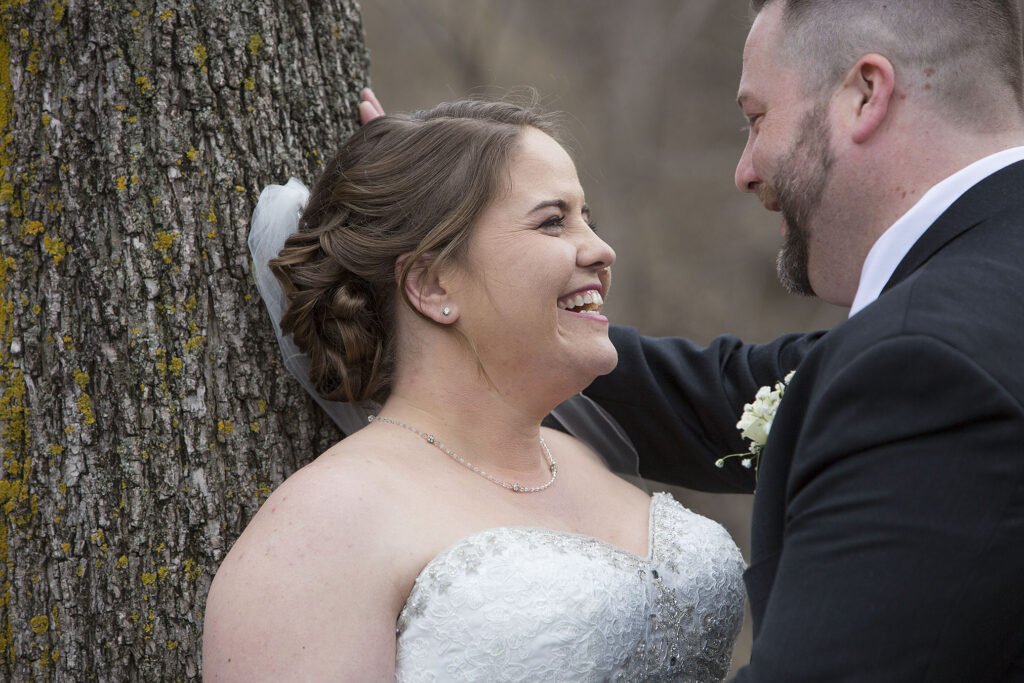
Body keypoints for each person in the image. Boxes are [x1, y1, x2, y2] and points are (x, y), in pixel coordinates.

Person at [202, 99, 747, 681]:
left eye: (589, 217)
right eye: (552, 221)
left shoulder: (586, 455)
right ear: (433, 284)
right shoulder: (321, 526)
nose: (602, 250)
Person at [577, 0, 1024, 680]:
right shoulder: (978, 294)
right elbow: (726, 394)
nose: (746, 170)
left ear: (865, 94)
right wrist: (481, 291)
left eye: (757, 120)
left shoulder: (923, 362)